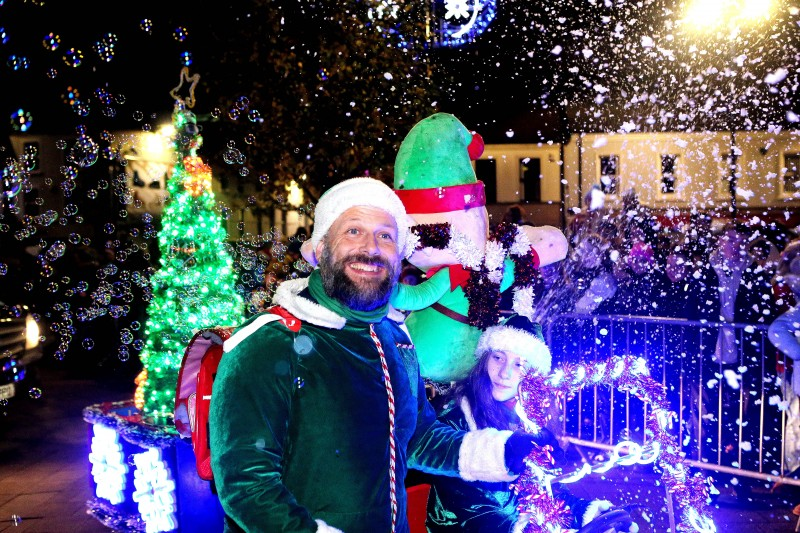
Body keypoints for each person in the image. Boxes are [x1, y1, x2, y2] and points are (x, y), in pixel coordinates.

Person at [208, 177, 547, 533]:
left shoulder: (394, 337)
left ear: (399, 257)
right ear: (320, 249)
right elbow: (248, 489)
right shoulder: (268, 343)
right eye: (353, 231)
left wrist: (506, 451)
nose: (370, 248)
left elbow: (418, 437)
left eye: (385, 235)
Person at [419, 314, 637, 532]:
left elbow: (549, 495)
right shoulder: (455, 423)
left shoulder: (529, 423)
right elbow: (471, 511)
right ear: (484, 359)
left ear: (533, 375)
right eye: (498, 358)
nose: (505, 373)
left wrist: (588, 513)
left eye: (519, 364)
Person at [768, 239, 800, 476]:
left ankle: (793, 471)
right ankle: (793, 471)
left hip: (790, 366)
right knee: (795, 419)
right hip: (788, 366)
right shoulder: (784, 288)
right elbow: (777, 328)